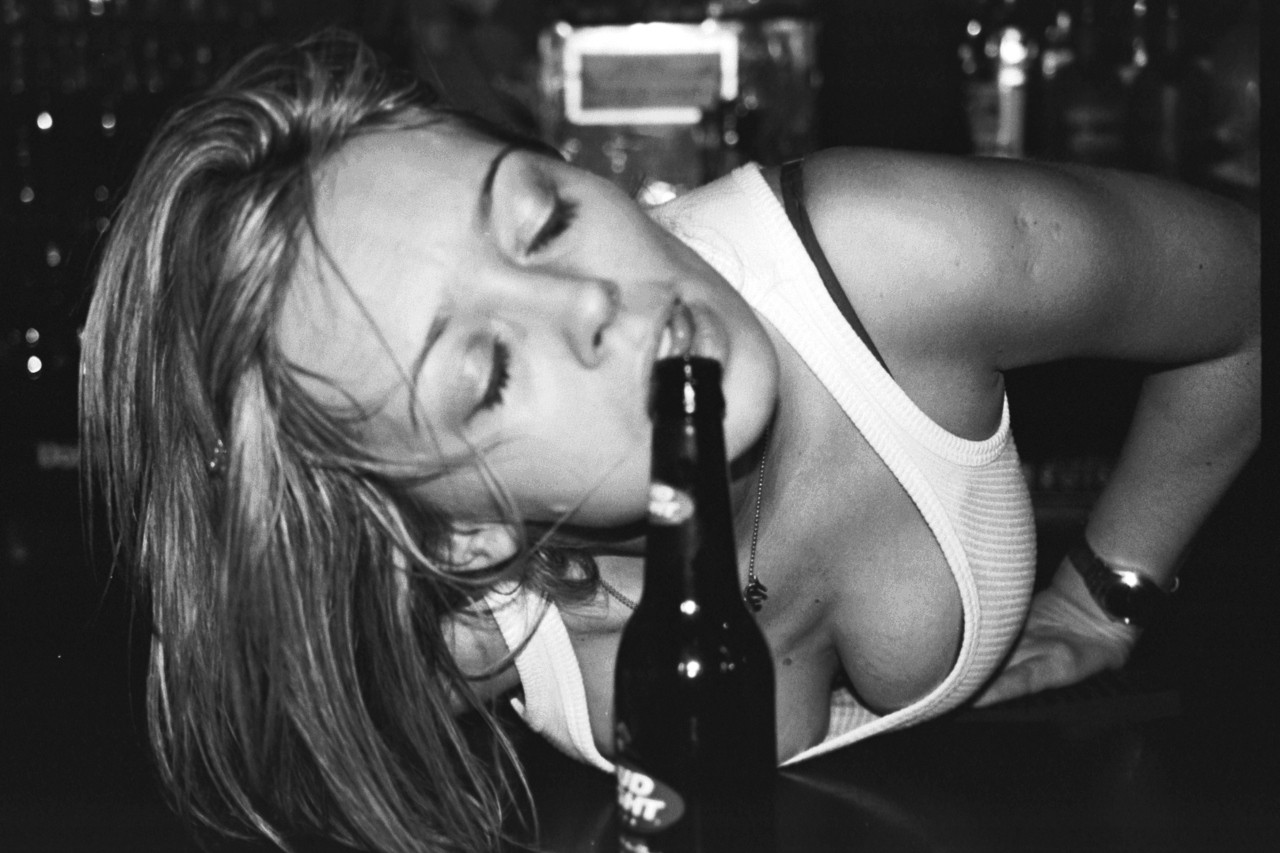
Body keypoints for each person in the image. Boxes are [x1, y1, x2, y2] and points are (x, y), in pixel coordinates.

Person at [79, 30, 1259, 853]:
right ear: (459, 529)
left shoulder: (897, 257)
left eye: (542, 218)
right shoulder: (462, 612)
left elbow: (1250, 294)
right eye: (487, 370)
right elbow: (238, 726)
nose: (591, 300)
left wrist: (1104, 594)